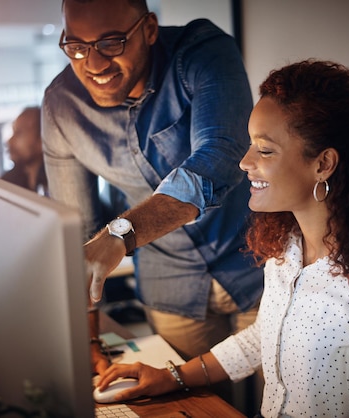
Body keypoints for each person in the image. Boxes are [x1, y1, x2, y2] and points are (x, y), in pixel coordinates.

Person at [95, 59, 349, 417]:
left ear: (323, 164)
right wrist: (172, 376)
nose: (244, 162)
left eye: (264, 150)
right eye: (250, 145)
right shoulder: (287, 251)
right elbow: (264, 336)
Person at [42, 0, 262, 368]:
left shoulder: (203, 52)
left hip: (256, 263)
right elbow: (76, 231)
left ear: (149, 29)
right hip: (170, 283)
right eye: (77, 47)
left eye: (112, 42)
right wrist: (89, 339)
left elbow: (219, 157)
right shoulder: (61, 107)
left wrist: (120, 234)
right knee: (192, 405)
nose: (93, 64)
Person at [1, 106, 48, 195]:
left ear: (42, 139)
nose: (9, 141)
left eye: (18, 133)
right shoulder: (6, 183)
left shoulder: (58, 183)